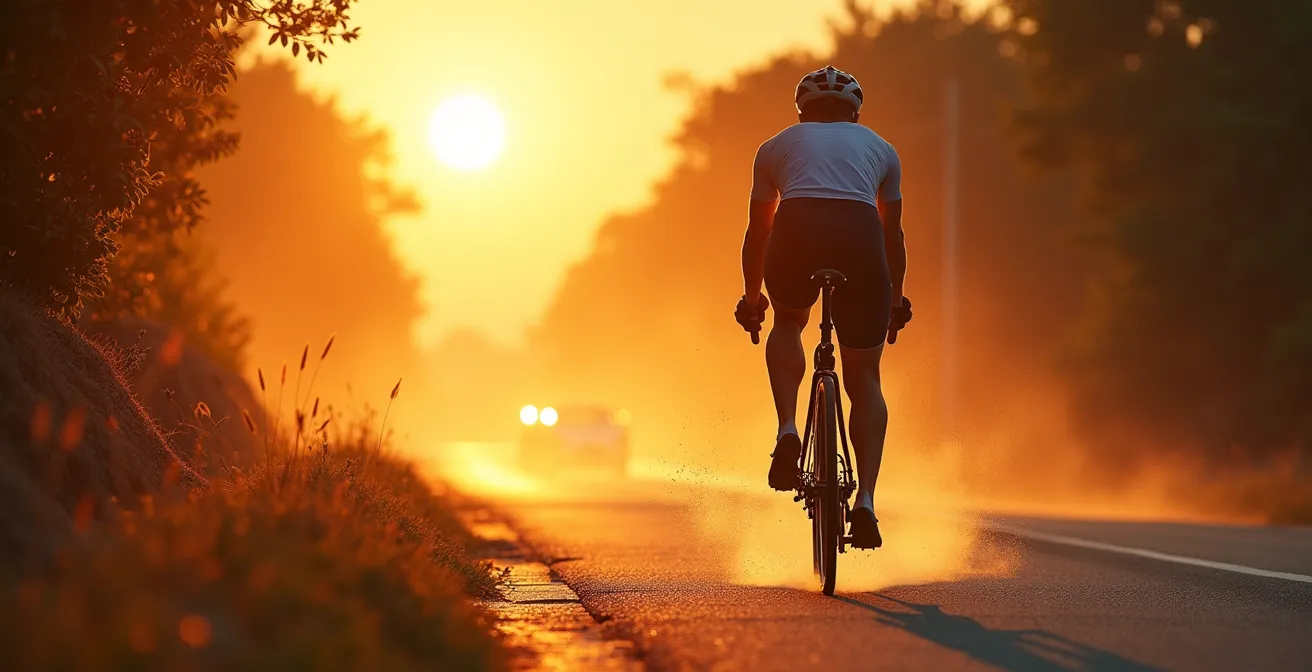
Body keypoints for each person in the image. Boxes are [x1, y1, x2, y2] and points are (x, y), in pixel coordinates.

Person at [734, 65, 911, 550]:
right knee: (865, 377)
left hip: (797, 230)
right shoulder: (883, 149)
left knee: (790, 321)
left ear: (801, 110)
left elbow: (758, 231)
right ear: (856, 112)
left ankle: (789, 427)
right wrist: (894, 300)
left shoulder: (773, 148)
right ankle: (867, 503)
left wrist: (753, 298)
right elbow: (892, 235)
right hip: (860, 237)